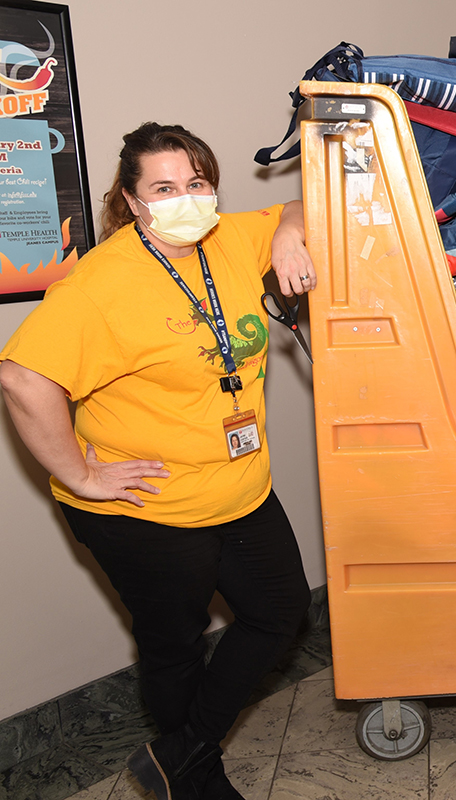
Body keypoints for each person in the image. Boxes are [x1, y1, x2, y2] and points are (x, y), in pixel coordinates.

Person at [0, 123, 317, 800]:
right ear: (134, 200)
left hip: (238, 485)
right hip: (144, 510)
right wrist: (80, 474)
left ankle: (179, 754)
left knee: (281, 610)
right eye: (165, 187)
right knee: (175, 644)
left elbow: (303, 203)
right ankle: (196, 777)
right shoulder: (101, 282)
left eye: (197, 182)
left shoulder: (229, 237)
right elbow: (23, 379)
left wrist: (289, 231)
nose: (187, 198)